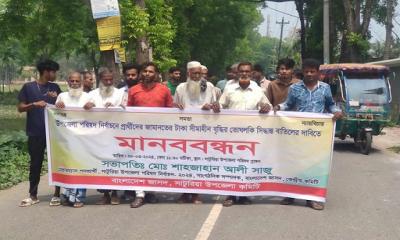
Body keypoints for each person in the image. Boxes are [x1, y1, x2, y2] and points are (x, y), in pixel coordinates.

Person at [274, 58, 343, 210]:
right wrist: (278, 107)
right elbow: (288, 104)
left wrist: (337, 112)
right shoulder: (295, 88)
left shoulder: (325, 88)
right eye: (306, 71)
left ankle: (312, 198)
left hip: (317, 135)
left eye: (312, 71)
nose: (309, 74)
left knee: (314, 166)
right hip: (298, 134)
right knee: (295, 163)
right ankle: (290, 195)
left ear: (318, 72)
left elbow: (330, 105)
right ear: (303, 72)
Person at [212, 62, 272, 207]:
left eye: (247, 72)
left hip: (251, 135)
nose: (244, 74)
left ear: (251, 73)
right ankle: (231, 194)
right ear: (237, 74)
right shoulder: (229, 88)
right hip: (231, 134)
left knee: (248, 164)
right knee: (232, 164)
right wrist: (215, 106)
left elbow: (267, 105)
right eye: (241, 72)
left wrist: (266, 107)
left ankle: (245, 194)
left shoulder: (257, 90)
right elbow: (222, 104)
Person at [127, 62, 174, 208]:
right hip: (138, 134)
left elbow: (170, 111)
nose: (147, 74)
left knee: (154, 163)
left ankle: (152, 192)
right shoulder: (133, 90)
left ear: (157, 74)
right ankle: (139, 195)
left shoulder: (164, 90)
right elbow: (128, 112)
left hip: (158, 134)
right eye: (145, 71)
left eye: (151, 71)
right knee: (139, 163)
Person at [18, 59, 62, 207]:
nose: (55, 74)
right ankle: (33, 194)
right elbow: (20, 108)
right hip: (35, 132)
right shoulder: (28, 87)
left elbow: (62, 107)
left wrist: (61, 104)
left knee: (56, 164)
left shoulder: (55, 87)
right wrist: (34, 104)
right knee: (35, 164)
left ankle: (57, 194)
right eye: (53, 71)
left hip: (54, 133)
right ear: (45, 72)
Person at [173, 61, 217, 204]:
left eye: (200, 73)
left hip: (203, 132)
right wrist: (177, 106)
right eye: (195, 73)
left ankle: (196, 194)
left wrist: (209, 107)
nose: (198, 76)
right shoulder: (180, 88)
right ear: (188, 74)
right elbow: (174, 106)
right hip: (184, 132)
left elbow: (216, 107)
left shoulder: (209, 87)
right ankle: (185, 193)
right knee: (183, 164)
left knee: (199, 164)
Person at [84, 67, 124, 205]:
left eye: (110, 79)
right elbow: (85, 112)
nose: (108, 82)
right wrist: (87, 106)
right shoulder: (93, 94)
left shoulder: (120, 93)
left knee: (115, 164)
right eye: (105, 79)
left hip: (116, 136)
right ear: (100, 80)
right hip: (98, 136)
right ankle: (105, 194)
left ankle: (115, 193)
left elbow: (126, 109)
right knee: (101, 164)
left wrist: (116, 106)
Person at [55, 72, 91, 208]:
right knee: (68, 166)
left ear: (81, 83)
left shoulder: (88, 97)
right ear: (68, 82)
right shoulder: (62, 96)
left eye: (77, 81)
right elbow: (56, 116)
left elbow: (97, 115)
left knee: (80, 166)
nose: (75, 83)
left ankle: (79, 197)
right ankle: (67, 195)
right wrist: (58, 106)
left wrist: (91, 106)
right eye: (72, 81)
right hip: (66, 138)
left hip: (83, 138)